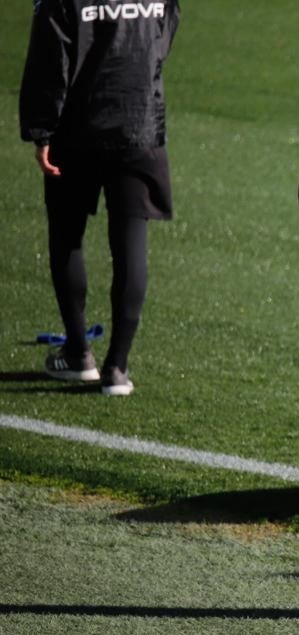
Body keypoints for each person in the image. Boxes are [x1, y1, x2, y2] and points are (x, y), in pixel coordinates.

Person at [19, 0, 181, 396]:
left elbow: (49, 59)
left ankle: (78, 354)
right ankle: (117, 368)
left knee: (67, 234)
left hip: (77, 129)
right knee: (131, 241)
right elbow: (165, 35)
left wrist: (42, 129)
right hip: (139, 124)